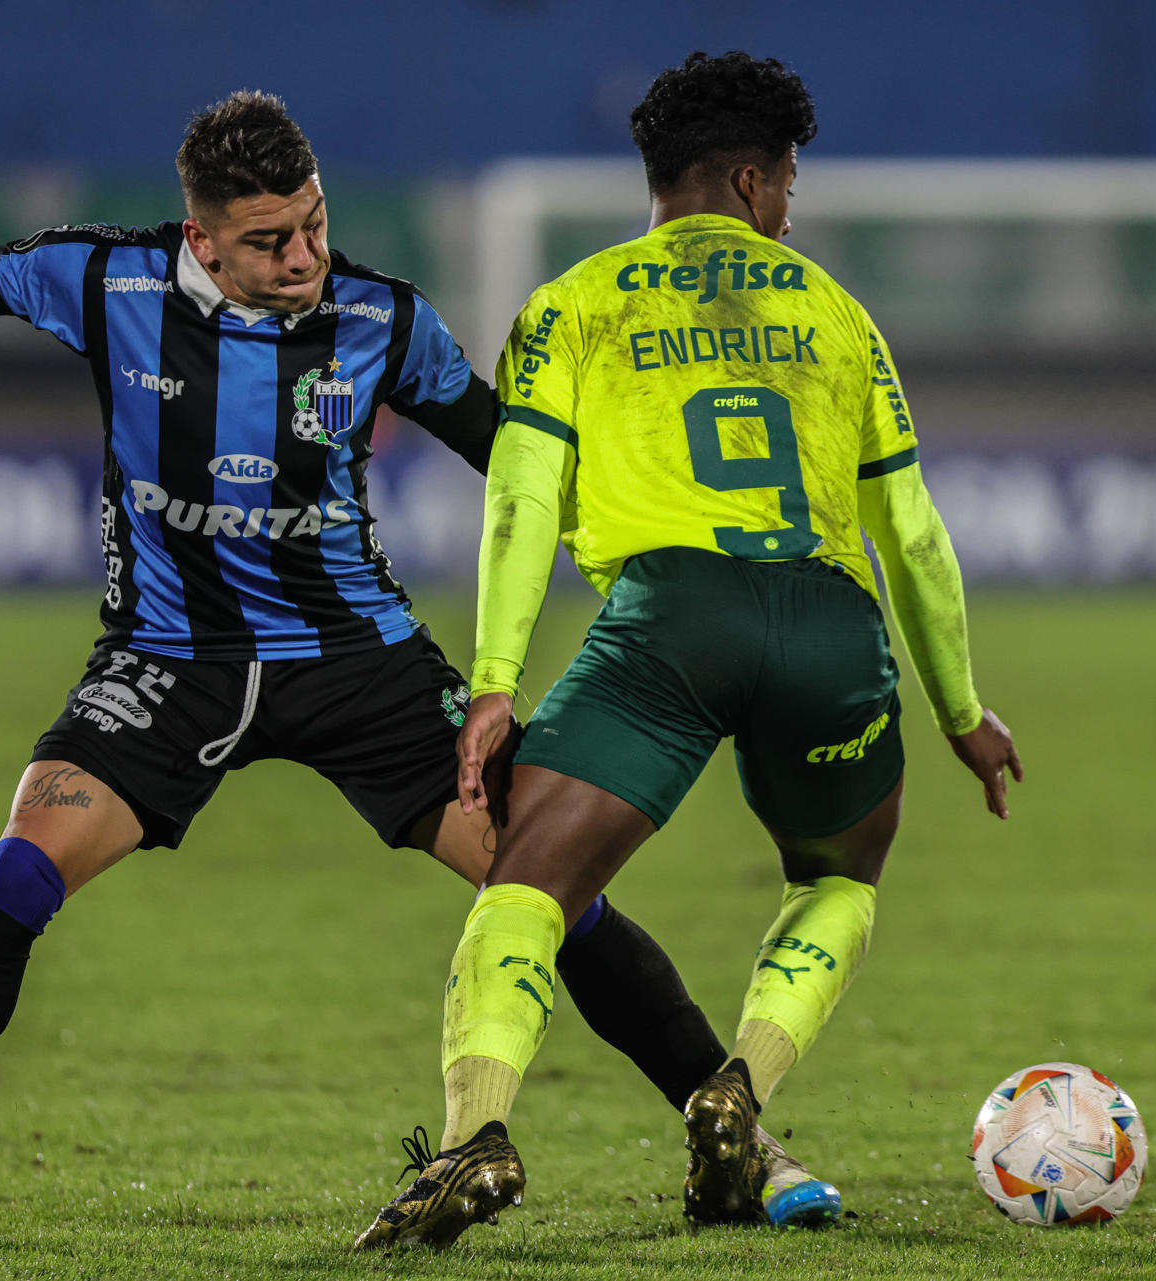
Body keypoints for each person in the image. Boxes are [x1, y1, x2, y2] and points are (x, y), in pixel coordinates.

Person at [0, 91, 732, 1250]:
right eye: (269, 241)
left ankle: (742, 1140)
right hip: (168, 661)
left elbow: (511, 454)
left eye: (313, 224)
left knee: (551, 889)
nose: (305, 256)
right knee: (11, 881)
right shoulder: (109, 285)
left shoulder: (383, 319)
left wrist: (675, 530)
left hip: (359, 661)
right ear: (201, 238)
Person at [353, 52, 1024, 1251]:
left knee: (524, 888)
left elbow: (518, 502)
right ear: (751, 179)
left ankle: (476, 1135)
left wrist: (496, 681)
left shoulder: (573, 304)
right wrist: (964, 713)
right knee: (836, 878)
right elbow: (913, 536)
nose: (789, 207)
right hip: (828, 621)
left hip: (670, 622)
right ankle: (739, 1090)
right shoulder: (834, 312)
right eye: (789, 183)